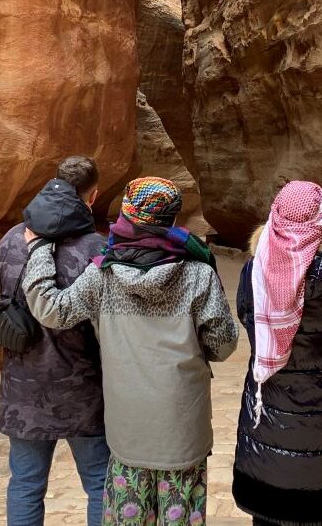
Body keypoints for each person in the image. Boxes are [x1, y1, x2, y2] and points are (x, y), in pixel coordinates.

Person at [21, 176, 239, 525]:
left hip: (127, 428)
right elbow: (223, 343)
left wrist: (39, 249)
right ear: (172, 218)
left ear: (128, 213)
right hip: (183, 425)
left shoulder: (103, 274)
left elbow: (52, 309)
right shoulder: (199, 273)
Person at [232, 180, 322, 526]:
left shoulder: (255, 269)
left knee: (268, 510)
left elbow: (247, 318)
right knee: (316, 510)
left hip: (270, 402)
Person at [0, 155, 109, 526]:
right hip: (84, 388)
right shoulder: (96, 249)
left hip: (23, 386)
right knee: (100, 484)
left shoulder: (12, 240)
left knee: (26, 484)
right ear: (90, 197)